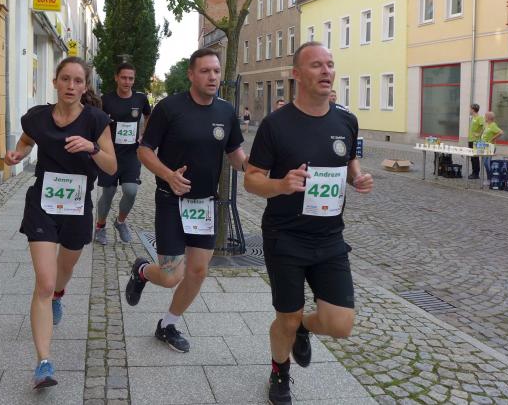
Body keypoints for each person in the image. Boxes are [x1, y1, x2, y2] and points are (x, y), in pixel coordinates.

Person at [244, 42, 374, 405]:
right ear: (297, 75)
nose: (326, 71)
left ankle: (302, 327)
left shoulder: (346, 120)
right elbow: (251, 179)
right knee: (286, 318)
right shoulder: (275, 125)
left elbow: (349, 161)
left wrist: (357, 178)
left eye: (330, 64)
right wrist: (281, 185)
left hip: (330, 236)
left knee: (340, 324)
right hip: (285, 236)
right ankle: (279, 371)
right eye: (316, 65)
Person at [125, 48, 248, 352]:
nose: (213, 77)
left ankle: (168, 324)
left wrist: (262, 166)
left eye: (216, 71)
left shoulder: (226, 112)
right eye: (205, 71)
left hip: (204, 204)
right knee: (170, 276)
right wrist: (168, 175)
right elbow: (144, 150)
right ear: (191, 74)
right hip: (171, 200)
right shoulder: (169, 108)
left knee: (198, 271)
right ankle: (142, 271)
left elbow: (236, 157)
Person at [4, 57, 116, 389]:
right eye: (65, 79)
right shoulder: (38, 117)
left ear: (85, 86)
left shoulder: (96, 120)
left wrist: (91, 147)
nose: (70, 85)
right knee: (44, 281)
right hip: (42, 203)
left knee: (64, 270)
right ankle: (43, 362)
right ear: (55, 82)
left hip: (77, 205)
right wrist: (18, 154)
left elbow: (111, 166)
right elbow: (27, 140)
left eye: (77, 81)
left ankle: (58, 296)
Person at [94, 62, 152, 244]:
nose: (127, 82)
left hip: (131, 154)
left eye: (131, 78)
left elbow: (149, 116)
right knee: (109, 192)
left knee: (131, 191)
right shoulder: (106, 100)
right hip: (109, 154)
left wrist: (144, 135)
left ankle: (120, 222)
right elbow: (96, 121)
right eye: (124, 78)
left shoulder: (140, 99)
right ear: (116, 78)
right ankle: (100, 227)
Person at [481, 111, 503, 181]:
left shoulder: (493, 125)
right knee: (485, 163)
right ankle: (490, 178)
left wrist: (493, 138)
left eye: (485, 116)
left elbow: (501, 132)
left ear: (488, 118)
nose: (484, 118)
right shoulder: (487, 125)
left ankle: (490, 179)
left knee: (486, 163)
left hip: (490, 147)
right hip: (484, 146)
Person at [468, 104, 484, 179]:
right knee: (472, 157)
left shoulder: (479, 117)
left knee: (475, 157)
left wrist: (479, 134)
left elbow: (483, 127)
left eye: (470, 109)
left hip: (476, 140)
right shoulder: (473, 117)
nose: (469, 110)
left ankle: (476, 173)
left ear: (473, 109)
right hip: (471, 139)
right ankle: (473, 172)